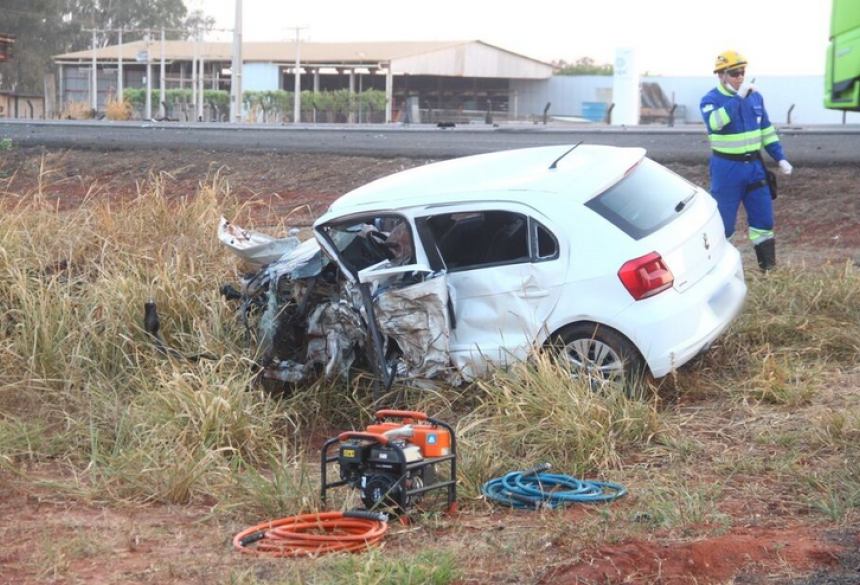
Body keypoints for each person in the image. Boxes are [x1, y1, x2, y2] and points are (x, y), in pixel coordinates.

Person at [700, 50, 793, 271]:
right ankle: (720, 273)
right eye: (734, 73)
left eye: (742, 72)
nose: (740, 77)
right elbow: (716, 122)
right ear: (721, 75)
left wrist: (780, 158)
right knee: (724, 226)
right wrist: (737, 98)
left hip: (754, 168)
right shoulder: (710, 100)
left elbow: (767, 131)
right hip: (727, 169)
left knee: (764, 221)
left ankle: (769, 273)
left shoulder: (755, 97)